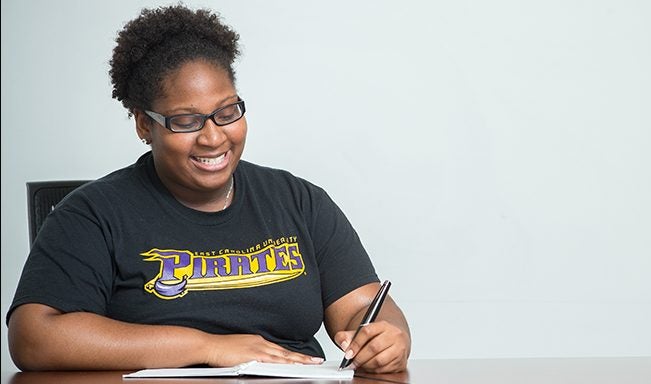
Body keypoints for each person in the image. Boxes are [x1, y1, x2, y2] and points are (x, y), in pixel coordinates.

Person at [6, 4, 410, 373]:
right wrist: (207, 346)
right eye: (186, 121)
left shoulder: (299, 202)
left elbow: (362, 307)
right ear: (144, 125)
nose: (214, 138)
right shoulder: (94, 213)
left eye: (227, 112)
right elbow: (34, 337)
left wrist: (387, 336)